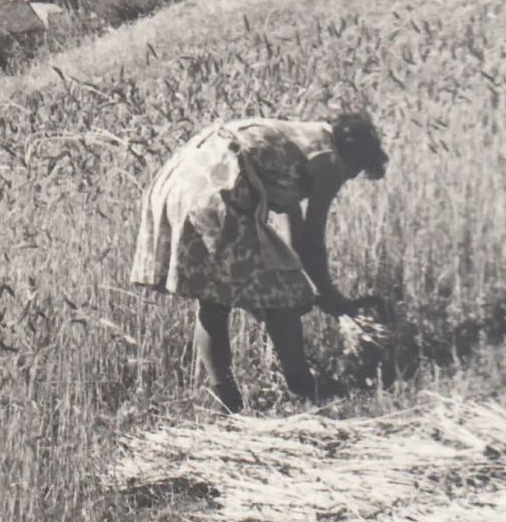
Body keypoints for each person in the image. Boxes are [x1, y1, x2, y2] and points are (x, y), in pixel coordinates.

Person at [129, 111, 388, 411]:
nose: (349, 177)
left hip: (184, 182)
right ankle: (303, 387)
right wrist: (330, 296)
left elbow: (294, 225)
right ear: (353, 155)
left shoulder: (301, 138)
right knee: (281, 296)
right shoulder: (330, 161)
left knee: (215, 300)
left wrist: (306, 282)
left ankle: (225, 400)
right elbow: (312, 241)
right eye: (356, 171)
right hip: (217, 189)